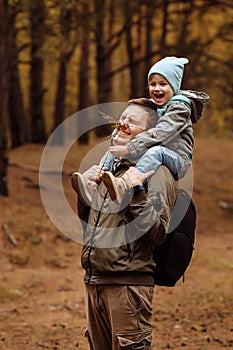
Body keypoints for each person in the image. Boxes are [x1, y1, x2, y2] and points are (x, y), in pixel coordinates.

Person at [74, 99, 178, 350]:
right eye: (122, 117)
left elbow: (156, 232)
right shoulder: (112, 169)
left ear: (150, 134)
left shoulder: (156, 172)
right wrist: (86, 194)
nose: (122, 123)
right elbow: (93, 227)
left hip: (128, 286)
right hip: (95, 281)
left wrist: (136, 189)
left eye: (132, 121)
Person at [72, 56, 208, 204]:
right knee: (112, 151)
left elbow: (162, 132)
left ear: (174, 87)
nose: (156, 88)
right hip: (158, 147)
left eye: (163, 84)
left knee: (155, 152)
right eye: (152, 84)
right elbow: (125, 125)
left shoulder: (180, 109)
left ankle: (124, 185)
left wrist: (130, 148)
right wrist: (116, 140)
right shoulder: (155, 105)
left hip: (176, 157)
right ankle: (93, 182)